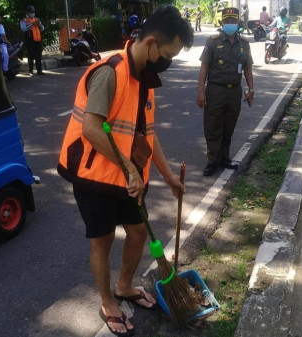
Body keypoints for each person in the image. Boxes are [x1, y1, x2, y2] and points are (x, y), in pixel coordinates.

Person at [57, 6, 193, 337]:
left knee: (137, 231)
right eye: (168, 53)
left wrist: (168, 176)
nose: (169, 61)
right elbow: (91, 129)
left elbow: (147, 134)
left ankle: (124, 286)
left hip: (128, 177)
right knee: (102, 242)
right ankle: (107, 302)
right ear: (150, 44)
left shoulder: (143, 77)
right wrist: (129, 167)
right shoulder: (110, 72)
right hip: (93, 177)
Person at [197, 7, 254, 177]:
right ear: (222, 23)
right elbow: (204, 67)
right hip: (215, 90)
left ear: (238, 23)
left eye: (233, 21)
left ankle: (224, 157)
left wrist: (251, 90)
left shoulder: (244, 43)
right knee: (213, 126)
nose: (230, 24)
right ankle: (212, 161)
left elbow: (248, 68)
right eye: (227, 21)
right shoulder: (213, 41)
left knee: (229, 126)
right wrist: (201, 91)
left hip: (234, 92)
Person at [20, 5, 45, 76]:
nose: (33, 14)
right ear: (27, 12)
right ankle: (30, 71)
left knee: (38, 56)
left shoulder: (36, 19)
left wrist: (39, 24)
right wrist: (33, 24)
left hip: (38, 40)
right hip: (30, 40)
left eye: (33, 12)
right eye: (31, 12)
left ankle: (39, 71)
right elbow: (24, 29)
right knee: (30, 56)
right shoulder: (24, 20)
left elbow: (43, 28)